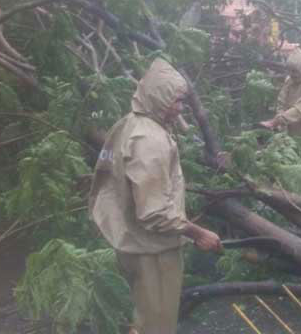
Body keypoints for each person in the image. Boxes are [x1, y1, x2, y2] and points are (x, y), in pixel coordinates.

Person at [89, 58, 222, 334]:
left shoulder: (129, 124)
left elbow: (107, 178)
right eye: (176, 102)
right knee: (157, 325)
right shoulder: (150, 141)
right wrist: (197, 233)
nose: (181, 109)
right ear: (159, 99)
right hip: (153, 249)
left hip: (128, 239)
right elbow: (154, 213)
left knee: (142, 314)